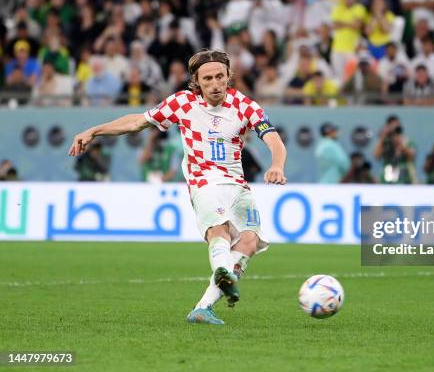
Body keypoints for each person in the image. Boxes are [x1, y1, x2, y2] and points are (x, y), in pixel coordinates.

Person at [69, 49, 287, 325]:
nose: (215, 84)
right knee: (217, 230)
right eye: (207, 79)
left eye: (220, 76)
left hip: (237, 185)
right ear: (196, 82)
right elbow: (136, 122)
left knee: (250, 241)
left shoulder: (246, 106)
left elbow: (274, 141)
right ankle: (223, 270)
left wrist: (277, 165)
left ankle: (203, 307)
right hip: (204, 182)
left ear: (229, 76)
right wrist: (94, 130)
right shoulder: (182, 103)